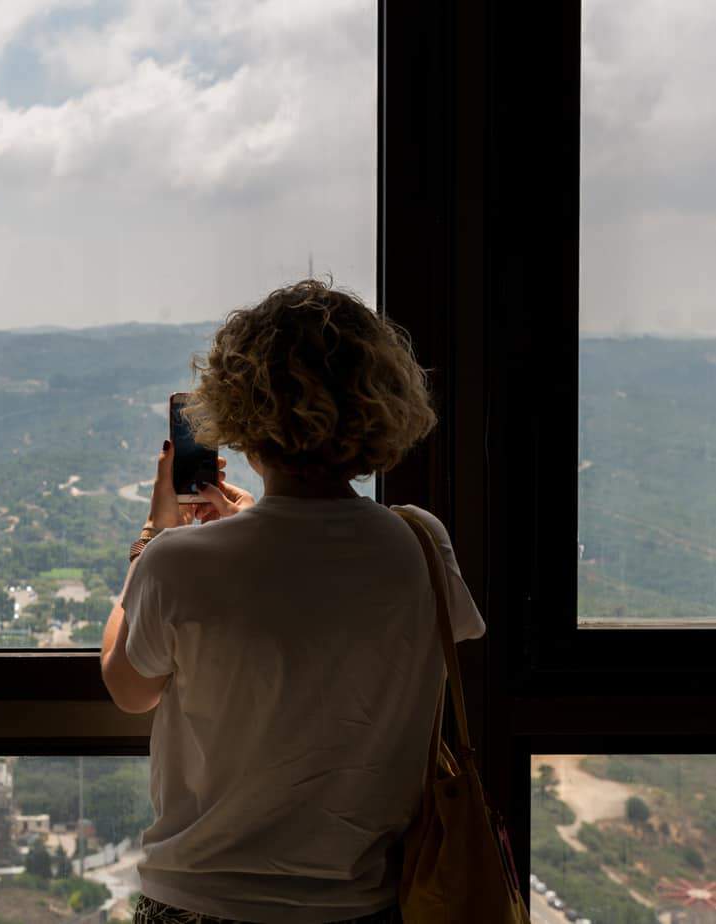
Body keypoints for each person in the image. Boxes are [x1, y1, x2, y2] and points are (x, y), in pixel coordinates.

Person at [100, 280, 486, 924]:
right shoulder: (420, 542)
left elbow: (129, 689)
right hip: (368, 902)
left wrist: (151, 543)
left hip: (204, 901)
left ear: (239, 411)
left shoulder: (179, 563)